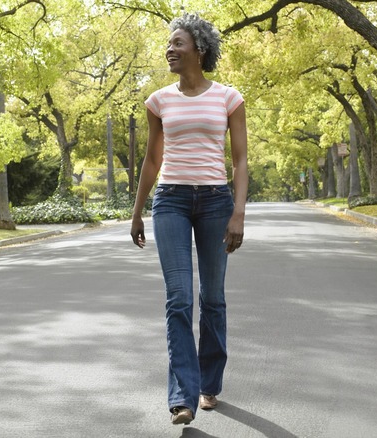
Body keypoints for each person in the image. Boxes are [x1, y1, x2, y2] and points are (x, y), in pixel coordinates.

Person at [129, 12, 248, 426]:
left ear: (199, 48)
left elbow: (240, 159)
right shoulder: (158, 100)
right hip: (171, 202)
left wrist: (238, 211)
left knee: (212, 299)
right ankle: (183, 397)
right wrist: (137, 210)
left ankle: (209, 383)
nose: (170, 49)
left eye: (178, 42)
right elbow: (152, 159)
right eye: (168, 43)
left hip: (216, 203)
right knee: (178, 298)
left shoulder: (228, 97)